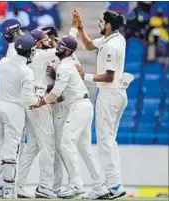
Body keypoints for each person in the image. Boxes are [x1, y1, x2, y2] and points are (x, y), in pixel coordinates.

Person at [32, 35, 110, 199]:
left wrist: (41, 103)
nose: (56, 48)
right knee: (85, 149)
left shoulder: (65, 67)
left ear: (66, 50)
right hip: (84, 106)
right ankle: (99, 186)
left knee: (66, 144)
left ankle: (76, 184)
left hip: (78, 107)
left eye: (59, 45)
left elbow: (56, 92)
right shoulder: (68, 63)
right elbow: (58, 87)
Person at [73, 8, 132, 199]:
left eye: (100, 21)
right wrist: (81, 28)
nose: (99, 23)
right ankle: (113, 183)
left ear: (107, 25)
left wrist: (84, 76)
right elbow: (90, 46)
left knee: (105, 141)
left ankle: (113, 185)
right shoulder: (115, 38)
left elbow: (108, 76)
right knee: (109, 141)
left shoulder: (111, 46)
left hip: (110, 94)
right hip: (116, 94)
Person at [0, 34, 39, 199]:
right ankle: (8, 191)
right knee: (11, 149)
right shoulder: (27, 71)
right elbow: (28, 100)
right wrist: (39, 100)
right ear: (29, 52)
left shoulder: (3, 63)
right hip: (14, 109)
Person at [16, 29, 59, 199]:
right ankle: (44, 186)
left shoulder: (27, 57)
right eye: (45, 39)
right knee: (48, 146)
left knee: (32, 147)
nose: (49, 40)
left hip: (30, 102)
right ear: (38, 43)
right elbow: (65, 48)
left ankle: (17, 184)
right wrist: (72, 29)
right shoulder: (41, 55)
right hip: (39, 103)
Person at [0, 18, 24, 198]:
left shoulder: (8, 55)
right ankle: (0, 186)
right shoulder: (19, 54)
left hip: (0, 103)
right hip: (15, 105)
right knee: (11, 149)